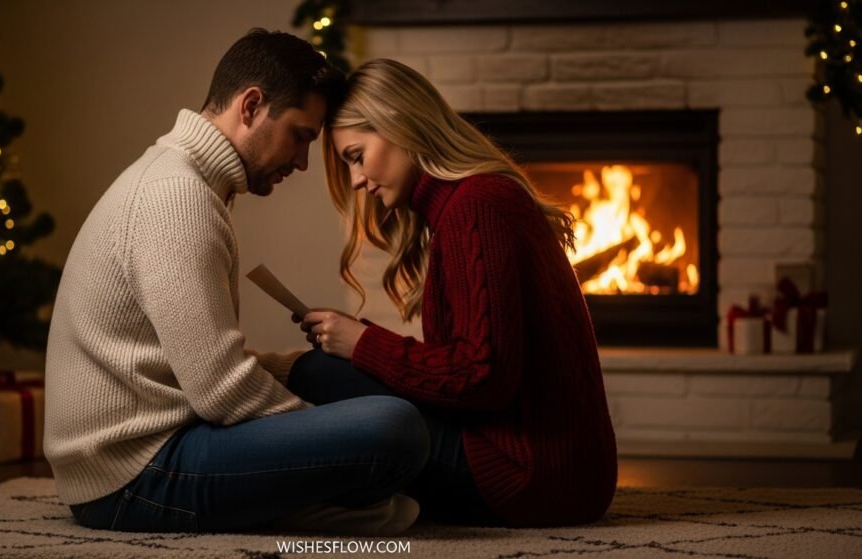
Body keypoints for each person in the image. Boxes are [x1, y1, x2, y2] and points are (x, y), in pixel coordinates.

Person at [44, 32, 429, 535]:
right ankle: (332, 506)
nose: (303, 162)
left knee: (332, 373)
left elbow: (187, 366)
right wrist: (323, 437)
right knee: (391, 429)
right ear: (251, 106)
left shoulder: (190, 182)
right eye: (300, 136)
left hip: (166, 435)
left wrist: (304, 373)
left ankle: (318, 503)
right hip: (132, 477)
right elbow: (221, 391)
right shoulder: (176, 197)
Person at [291, 58, 618, 528]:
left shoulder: (476, 207)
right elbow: (479, 361)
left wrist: (363, 346)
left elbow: (482, 376)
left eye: (357, 156)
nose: (358, 182)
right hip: (564, 476)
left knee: (317, 375)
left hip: (530, 477)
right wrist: (362, 344)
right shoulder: (471, 201)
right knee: (337, 368)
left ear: (399, 123)